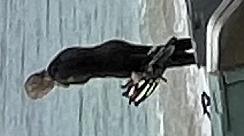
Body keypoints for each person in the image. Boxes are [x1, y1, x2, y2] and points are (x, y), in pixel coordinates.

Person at [26, 38, 199, 104]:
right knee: (158, 51)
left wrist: (133, 73)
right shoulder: (58, 59)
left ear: (41, 87)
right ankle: (196, 41)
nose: (45, 94)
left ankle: (200, 56)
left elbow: (91, 69)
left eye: (42, 94)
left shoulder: (61, 75)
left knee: (162, 61)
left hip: (116, 63)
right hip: (111, 48)